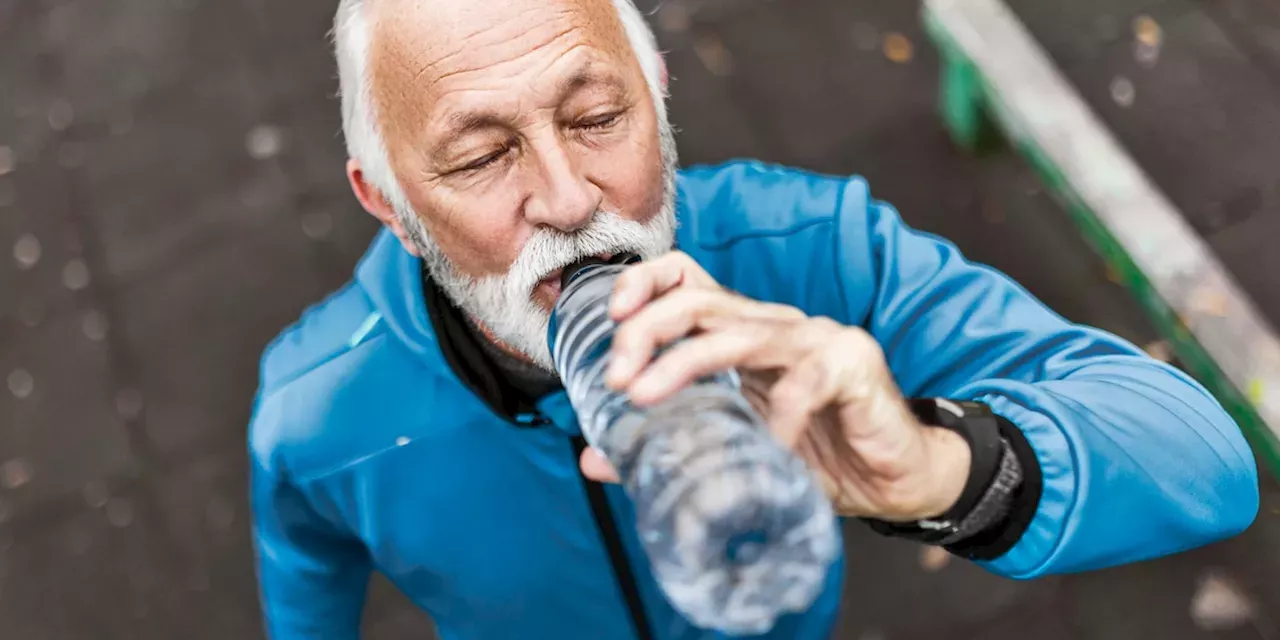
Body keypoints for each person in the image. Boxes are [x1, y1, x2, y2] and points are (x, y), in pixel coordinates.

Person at [247, 0, 1260, 637]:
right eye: (478, 158)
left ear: (658, 95)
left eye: (598, 118)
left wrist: (934, 467)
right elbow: (305, 585)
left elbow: (1205, 464)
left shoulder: (810, 248)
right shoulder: (318, 413)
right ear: (392, 205)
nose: (566, 198)